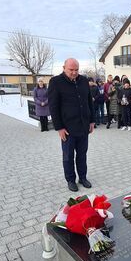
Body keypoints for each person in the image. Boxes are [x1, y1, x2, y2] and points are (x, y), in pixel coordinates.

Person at [48, 58, 95, 192]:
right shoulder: (56, 82)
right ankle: (70, 179)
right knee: (68, 156)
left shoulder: (83, 81)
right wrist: (59, 128)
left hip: (83, 126)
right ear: (64, 68)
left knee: (82, 154)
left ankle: (83, 177)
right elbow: (53, 107)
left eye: (76, 70)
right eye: (71, 70)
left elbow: (88, 102)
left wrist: (91, 121)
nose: (74, 73)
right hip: (67, 128)